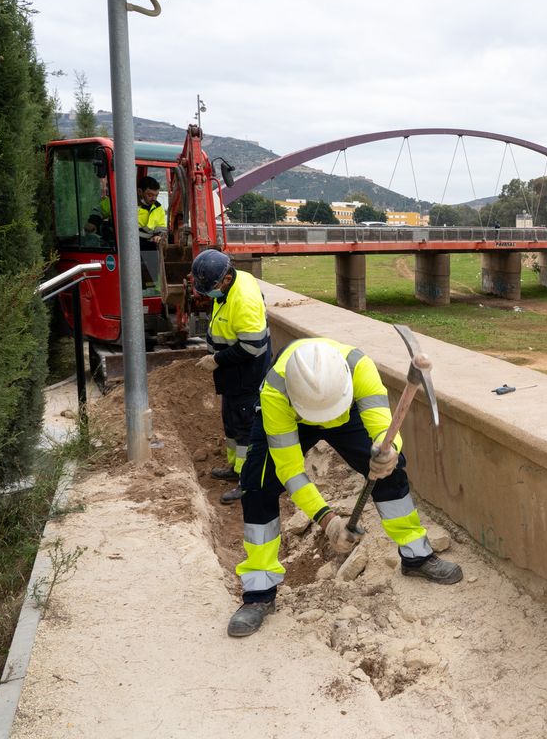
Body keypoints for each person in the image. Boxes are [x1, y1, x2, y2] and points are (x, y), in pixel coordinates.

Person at [227, 337, 462, 638]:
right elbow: (289, 470)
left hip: (346, 410)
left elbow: (384, 428)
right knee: (258, 486)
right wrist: (328, 521)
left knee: (390, 468)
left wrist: (386, 453)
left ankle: (417, 556)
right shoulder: (276, 392)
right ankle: (259, 591)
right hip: (293, 418)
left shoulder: (360, 368)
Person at [192, 250, 271, 505]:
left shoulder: (243, 298)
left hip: (247, 371)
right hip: (232, 369)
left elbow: (252, 347)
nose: (207, 294)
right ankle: (236, 468)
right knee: (232, 421)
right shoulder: (228, 287)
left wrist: (216, 360)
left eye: (210, 288)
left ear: (226, 279)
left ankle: (247, 482)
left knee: (246, 427)